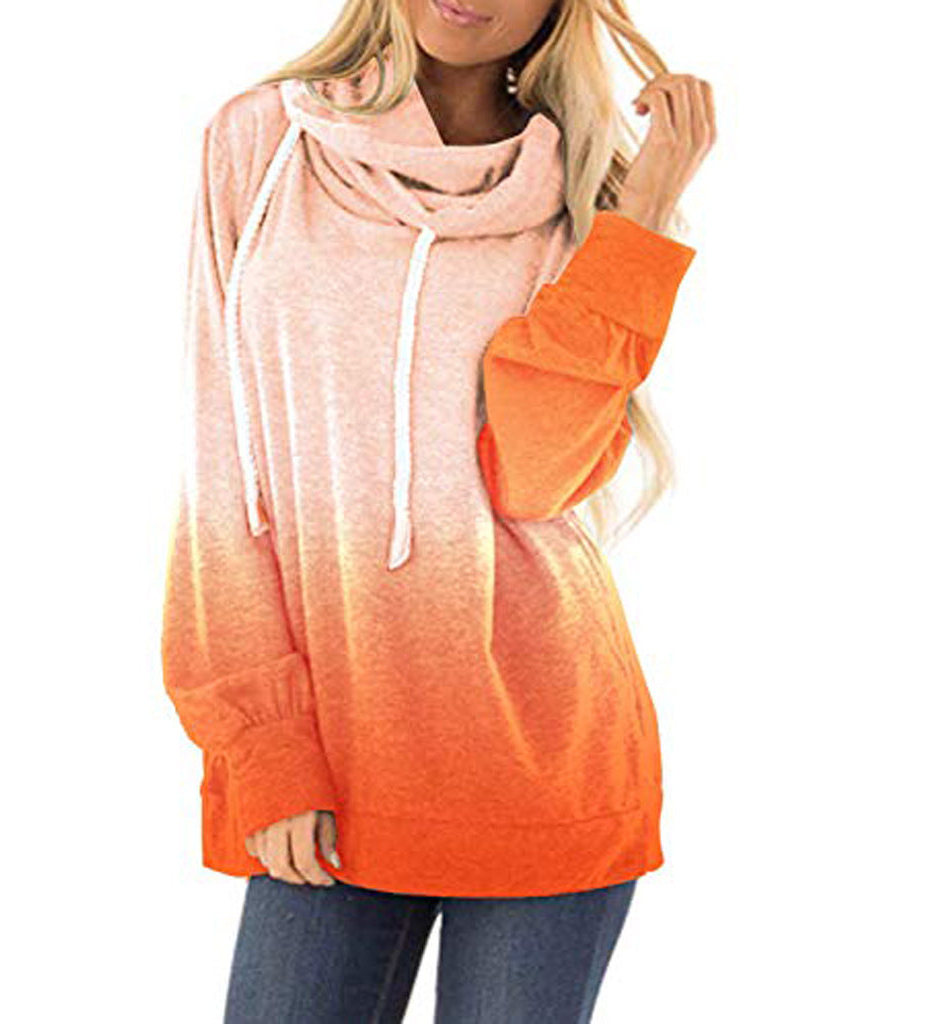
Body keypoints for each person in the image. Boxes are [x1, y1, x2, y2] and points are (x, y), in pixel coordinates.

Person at [159, 0, 713, 1018]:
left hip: (544, 755)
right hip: (334, 752)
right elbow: (221, 467)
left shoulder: (581, 191)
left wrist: (639, 219)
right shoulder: (264, 142)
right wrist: (266, 741)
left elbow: (537, 475)